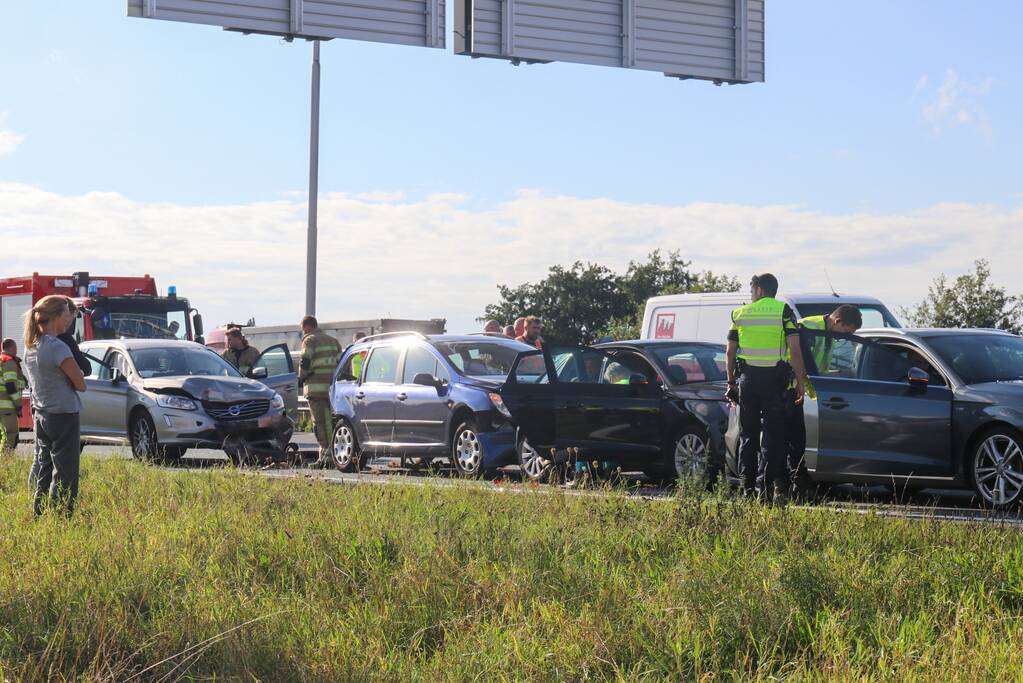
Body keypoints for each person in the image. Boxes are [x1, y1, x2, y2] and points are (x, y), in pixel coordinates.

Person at [725, 273, 807, 505]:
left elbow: (730, 353)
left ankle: (746, 489)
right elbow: (796, 351)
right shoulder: (783, 311)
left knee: (748, 436)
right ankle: (765, 489)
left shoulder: (740, 314)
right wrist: (800, 383)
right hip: (776, 382)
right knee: (772, 438)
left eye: (752, 290)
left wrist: (731, 383)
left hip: (748, 382)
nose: (750, 295)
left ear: (760, 289)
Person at [785, 304, 862, 498]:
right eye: (846, 330)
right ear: (837, 321)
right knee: (791, 439)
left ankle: (797, 483)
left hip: (806, 392)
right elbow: (794, 356)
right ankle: (790, 483)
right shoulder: (807, 328)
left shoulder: (827, 333)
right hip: (789, 389)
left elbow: (820, 367)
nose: (844, 336)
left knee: (798, 439)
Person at [23, 295, 87, 517]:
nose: (70, 317)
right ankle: (61, 517)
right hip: (64, 415)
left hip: (42, 414)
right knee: (66, 472)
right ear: (58, 316)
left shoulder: (31, 345)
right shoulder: (57, 347)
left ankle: (38, 513)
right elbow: (81, 383)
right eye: (67, 313)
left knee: (45, 468)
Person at [299, 316, 343, 469]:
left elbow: (305, 361)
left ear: (307, 327)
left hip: (315, 389)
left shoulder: (309, 340)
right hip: (332, 390)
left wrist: (301, 378)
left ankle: (325, 457)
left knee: (319, 423)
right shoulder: (333, 341)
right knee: (331, 421)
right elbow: (342, 363)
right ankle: (333, 454)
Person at [0, 338, 26, 451]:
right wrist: (18, 405)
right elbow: (10, 386)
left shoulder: (1, 360)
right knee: (11, 437)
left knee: (3, 437)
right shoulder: (8, 362)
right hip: (7, 409)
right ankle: (6, 464)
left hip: (2, 408)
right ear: (12, 348)